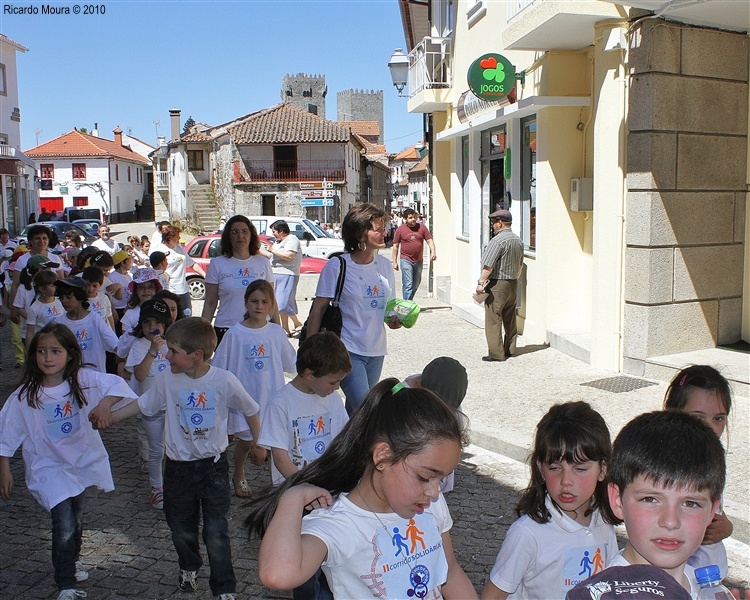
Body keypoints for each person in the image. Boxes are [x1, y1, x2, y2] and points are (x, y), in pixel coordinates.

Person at [246, 379, 477, 599]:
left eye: (441, 479)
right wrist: (292, 498)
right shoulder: (340, 524)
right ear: (383, 457)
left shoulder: (432, 505)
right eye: (426, 477)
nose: (435, 492)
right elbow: (277, 575)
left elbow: (451, 572)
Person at [91, 317, 265, 600]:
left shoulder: (223, 380)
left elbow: (251, 408)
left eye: (173, 351)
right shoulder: (166, 381)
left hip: (213, 469)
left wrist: (260, 443)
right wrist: (110, 417)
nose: (167, 355)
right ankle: (189, 564)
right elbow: (141, 404)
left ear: (196, 355)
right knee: (181, 529)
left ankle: (224, 587)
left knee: (216, 530)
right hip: (178, 470)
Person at [0, 322, 137, 600]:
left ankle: (72, 562)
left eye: (55, 351)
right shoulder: (25, 396)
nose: (48, 358)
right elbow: (6, 432)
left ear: (70, 354)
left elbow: (118, 385)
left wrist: (105, 404)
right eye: (41, 351)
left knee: (75, 519)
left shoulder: (84, 380)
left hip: (80, 463)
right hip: (47, 468)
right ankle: (65, 583)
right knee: (62, 522)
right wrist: (4, 468)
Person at [482, 401, 619, 599]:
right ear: (540, 468)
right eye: (555, 468)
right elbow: (492, 595)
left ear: (603, 470)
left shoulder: (604, 522)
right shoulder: (527, 534)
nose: (566, 481)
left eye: (580, 469)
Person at [256, 331, 350, 600]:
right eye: (333, 382)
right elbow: (281, 456)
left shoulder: (332, 399)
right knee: (305, 575)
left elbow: (342, 441)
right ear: (309, 374)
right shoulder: (281, 403)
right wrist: (304, 490)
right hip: (298, 500)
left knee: (331, 566)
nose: (337, 388)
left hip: (329, 497)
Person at [606, 410, 726, 597]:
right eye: (650, 499)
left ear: (712, 511)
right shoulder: (603, 594)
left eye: (691, 503)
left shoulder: (702, 588)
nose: (670, 521)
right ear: (617, 501)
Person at [305, 203, 400, 415]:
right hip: (346, 350)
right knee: (366, 408)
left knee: (353, 411)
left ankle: (345, 446)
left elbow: (388, 309)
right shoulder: (337, 266)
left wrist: (395, 320)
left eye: (384, 227)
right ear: (360, 234)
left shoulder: (384, 266)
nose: (384, 232)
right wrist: (310, 351)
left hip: (376, 350)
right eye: (378, 228)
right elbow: (318, 310)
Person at [212, 280, 296, 498]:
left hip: (272, 397)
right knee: (247, 441)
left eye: (264, 302)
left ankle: (278, 485)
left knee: (277, 442)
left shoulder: (276, 333)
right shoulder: (234, 334)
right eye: (254, 301)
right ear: (246, 303)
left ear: (271, 305)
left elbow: (291, 363)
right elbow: (220, 366)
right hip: (245, 399)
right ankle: (238, 473)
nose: (259, 306)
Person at [663, 365, 734, 583]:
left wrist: (726, 527)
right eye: (698, 417)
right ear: (672, 412)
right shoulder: (662, 461)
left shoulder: (712, 458)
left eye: (719, 418)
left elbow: (715, 508)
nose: (711, 428)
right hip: (672, 573)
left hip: (709, 572)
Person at [124, 299, 173, 509]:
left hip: (173, 406)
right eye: (147, 323)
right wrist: (152, 351)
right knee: (156, 450)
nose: (153, 328)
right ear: (140, 326)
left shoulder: (173, 343)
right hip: (151, 408)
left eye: (158, 323)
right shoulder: (139, 346)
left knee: (173, 449)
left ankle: (173, 485)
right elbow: (140, 375)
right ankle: (157, 489)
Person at [201, 215, 273, 344]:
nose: (240, 236)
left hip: (259, 328)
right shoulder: (217, 264)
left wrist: (277, 327)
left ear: (251, 235)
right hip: (227, 329)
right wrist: (201, 333)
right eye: (235, 232)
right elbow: (210, 302)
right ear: (228, 236)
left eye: (244, 231)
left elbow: (272, 301)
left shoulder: (263, 263)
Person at [476, 209, 524, 362]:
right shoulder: (518, 240)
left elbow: (488, 265)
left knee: (493, 319)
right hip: (512, 283)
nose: (493, 226)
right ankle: (510, 349)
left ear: (500, 223)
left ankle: (496, 354)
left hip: (498, 284)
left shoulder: (497, 241)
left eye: (494, 223)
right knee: (510, 318)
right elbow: (520, 265)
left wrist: (480, 283)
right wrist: (513, 279)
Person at [53, 278, 118, 372]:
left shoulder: (94, 319)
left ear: (80, 296)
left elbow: (114, 343)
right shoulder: (59, 322)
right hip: (70, 376)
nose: (64, 301)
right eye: (61, 297)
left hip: (95, 376)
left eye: (68, 297)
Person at [262, 219, 304, 337]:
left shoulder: (292, 240)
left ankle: (297, 323)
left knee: (282, 303)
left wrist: (272, 250)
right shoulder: (278, 242)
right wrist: (258, 251)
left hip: (288, 273)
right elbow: (271, 256)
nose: (273, 234)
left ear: (281, 231)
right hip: (275, 273)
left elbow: (289, 256)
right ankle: (285, 328)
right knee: (278, 303)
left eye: (274, 231)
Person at [155, 224, 206, 318]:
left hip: (183, 288)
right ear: (170, 237)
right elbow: (156, 270)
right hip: (170, 289)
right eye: (177, 236)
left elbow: (191, 263)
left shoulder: (179, 248)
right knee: (172, 316)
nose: (179, 238)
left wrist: (205, 275)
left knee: (187, 315)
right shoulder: (160, 250)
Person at [391, 208, 436, 300]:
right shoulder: (400, 230)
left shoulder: (422, 228)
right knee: (408, 283)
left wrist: (433, 252)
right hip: (406, 260)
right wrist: (394, 262)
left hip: (418, 260)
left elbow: (429, 240)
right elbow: (395, 246)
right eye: (410, 218)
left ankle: (409, 300)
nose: (413, 219)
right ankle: (407, 304)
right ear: (405, 219)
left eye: (415, 217)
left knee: (416, 283)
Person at [24, 269, 64, 348]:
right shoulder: (34, 308)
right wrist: (30, 352)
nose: (56, 288)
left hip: (61, 342)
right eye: (53, 286)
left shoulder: (61, 302)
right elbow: (29, 333)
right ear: (42, 289)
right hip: (44, 344)